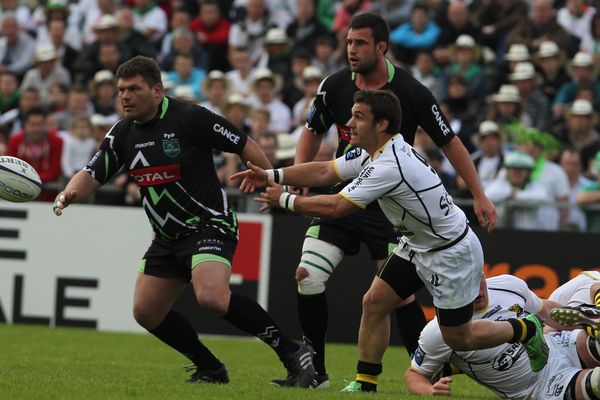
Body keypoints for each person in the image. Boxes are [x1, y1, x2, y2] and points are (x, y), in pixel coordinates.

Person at [233, 89, 543, 394]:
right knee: (374, 301)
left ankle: (526, 329)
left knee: (459, 338)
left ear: (381, 125)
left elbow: (336, 207)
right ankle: (365, 383)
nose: (349, 124)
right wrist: (274, 174)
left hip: (449, 253)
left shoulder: (389, 165)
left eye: (358, 117)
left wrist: (284, 200)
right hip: (419, 244)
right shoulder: (375, 151)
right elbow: (328, 168)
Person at [51, 56, 315, 387]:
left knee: (212, 297)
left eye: (134, 89)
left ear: (157, 90)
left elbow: (243, 142)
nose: (125, 97)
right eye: (121, 90)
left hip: (209, 223)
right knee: (146, 312)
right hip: (166, 237)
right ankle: (210, 367)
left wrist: (269, 177)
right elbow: (92, 173)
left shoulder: (190, 117)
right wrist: (68, 194)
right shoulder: (121, 133)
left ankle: (293, 353)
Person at [277, 12, 497, 389]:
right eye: (348, 42)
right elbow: (315, 137)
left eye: (359, 43)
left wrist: (478, 193)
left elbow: (449, 141)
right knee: (308, 276)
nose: (351, 50)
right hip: (350, 190)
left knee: (399, 298)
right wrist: (291, 176)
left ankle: (427, 373)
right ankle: (319, 374)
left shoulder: (411, 91)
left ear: (381, 47)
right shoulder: (333, 87)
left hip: (392, 209)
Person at [404, 274, 600, 399]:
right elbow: (414, 374)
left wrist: (582, 323)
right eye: (467, 287)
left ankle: (591, 316)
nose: (478, 290)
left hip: (558, 345)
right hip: (540, 387)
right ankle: (528, 329)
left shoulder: (508, 285)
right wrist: (429, 391)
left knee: (594, 337)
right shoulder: (439, 331)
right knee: (596, 384)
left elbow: (548, 311)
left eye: (478, 280)